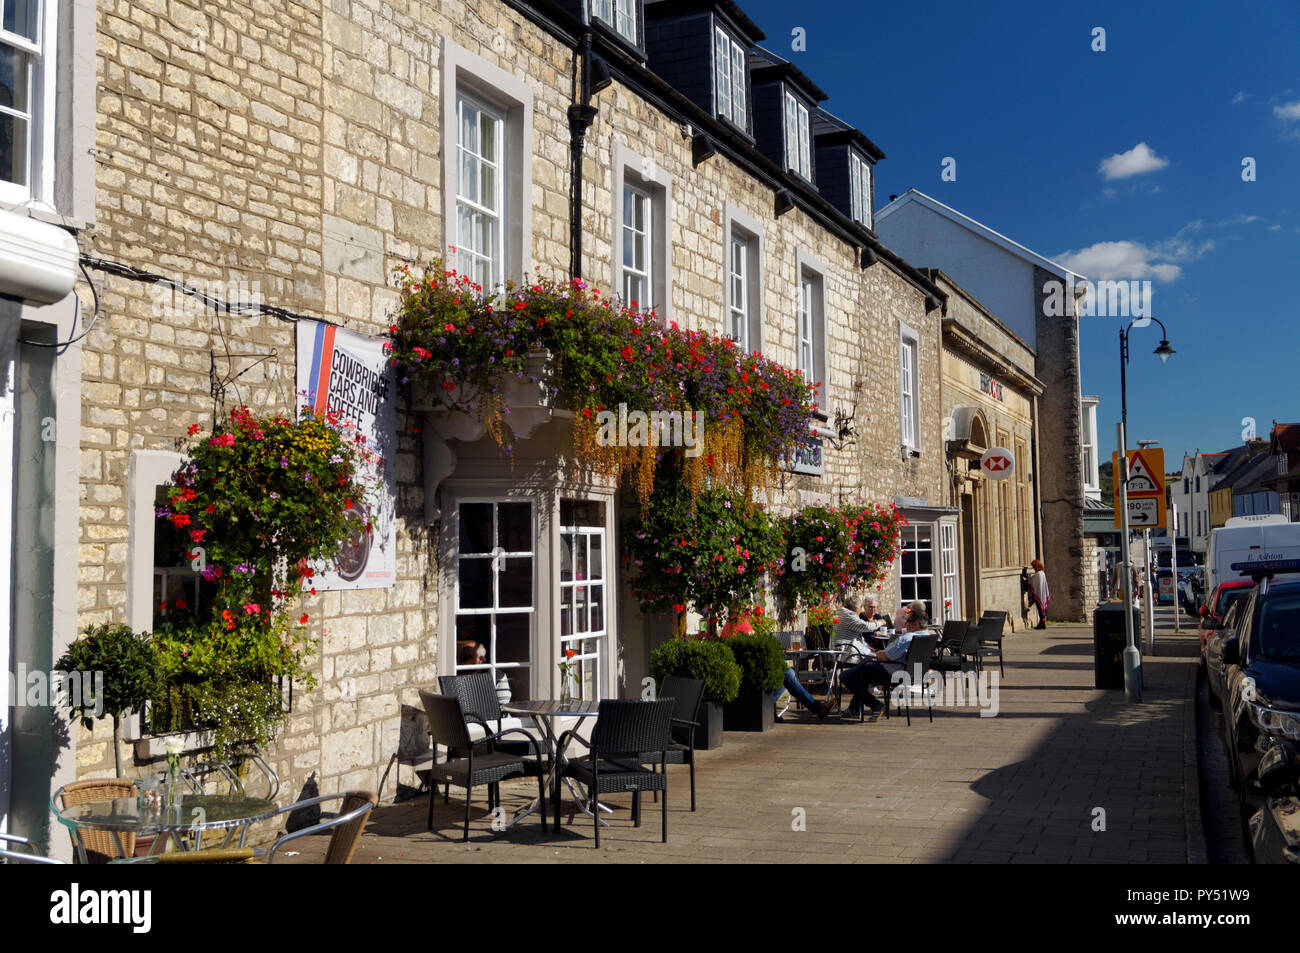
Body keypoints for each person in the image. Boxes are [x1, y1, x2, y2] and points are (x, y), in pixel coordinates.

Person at [838, 601, 932, 721]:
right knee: (863, 674)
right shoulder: (929, 636)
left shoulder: (907, 638)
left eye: (908, 621)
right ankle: (854, 708)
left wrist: (877, 653)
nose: (905, 624)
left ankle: (875, 705)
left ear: (917, 624)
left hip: (892, 673)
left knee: (845, 676)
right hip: (915, 673)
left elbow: (885, 657)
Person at [1028, 559, 1050, 630]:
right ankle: (1042, 623)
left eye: (1033, 566)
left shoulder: (1038, 574)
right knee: (1041, 609)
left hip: (1039, 594)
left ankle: (1042, 624)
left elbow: (1032, 581)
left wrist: (1026, 580)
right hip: (1042, 593)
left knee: (1040, 609)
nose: (1033, 568)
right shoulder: (1042, 573)